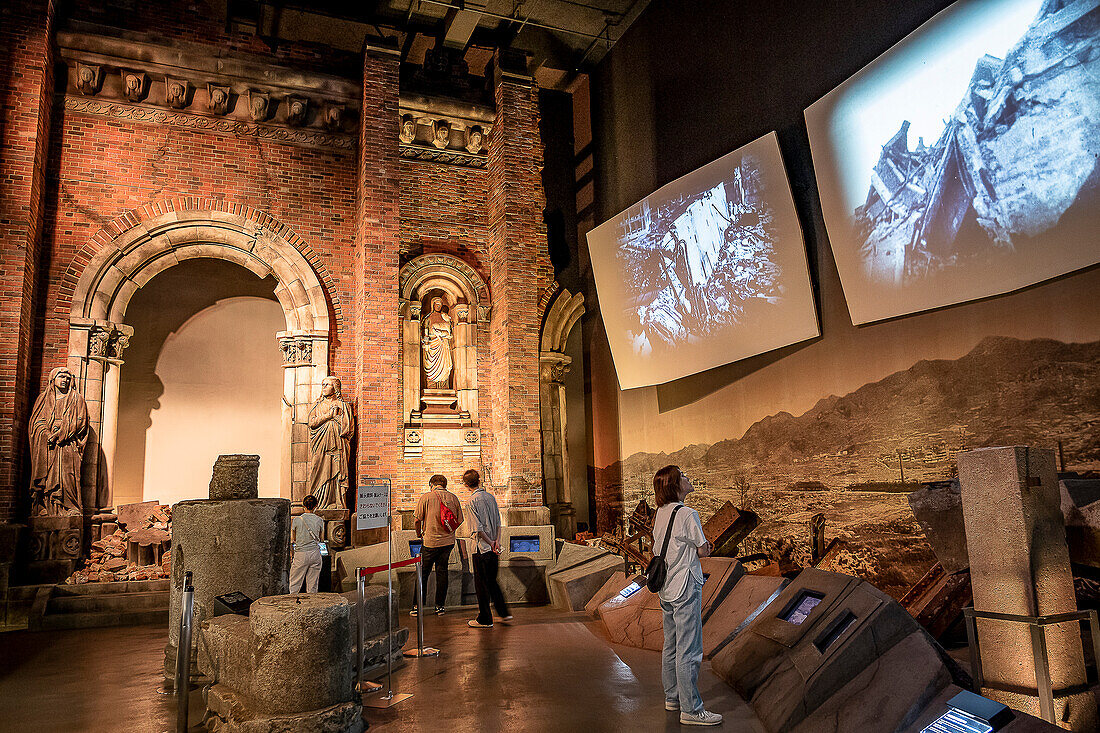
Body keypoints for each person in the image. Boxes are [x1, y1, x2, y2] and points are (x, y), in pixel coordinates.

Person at [652, 465, 723, 726]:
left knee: (670, 645)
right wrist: (708, 546)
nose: (687, 478)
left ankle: (672, 698)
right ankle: (691, 709)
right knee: (689, 649)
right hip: (685, 585)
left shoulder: (659, 513)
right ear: (675, 485)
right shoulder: (688, 514)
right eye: (682, 476)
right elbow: (702, 551)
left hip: (666, 588)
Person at [29, 367, 89, 516]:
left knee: (68, 476)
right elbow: (36, 422)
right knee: (47, 476)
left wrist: (60, 434)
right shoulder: (43, 399)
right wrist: (47, 434)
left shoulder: (76, 399)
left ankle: (69, 507)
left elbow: (80, 421)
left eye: (68, 378)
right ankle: (43, 506)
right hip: (47, 445)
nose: (65, 380)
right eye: (61, 377)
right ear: (53, 379)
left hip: (67, 444)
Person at [464, 469, 511, 628]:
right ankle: (504, 612)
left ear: (465, 484)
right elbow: (498, 523)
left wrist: (490, 542)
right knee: (492, 581)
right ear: (479, 480)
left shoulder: (471, 502)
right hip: (494, 547)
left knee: (481, 584)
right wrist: (496, 541)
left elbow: (477, 528)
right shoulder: (491, 498)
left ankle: (485, 618)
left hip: (481, 548)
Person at [413, 474, 464, 616]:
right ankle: (440, 606)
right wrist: (449, 531)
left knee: (423, 573)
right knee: (442, 572)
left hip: (430, 542)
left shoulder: (426, 497)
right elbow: (460, 520)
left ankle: (418, 606)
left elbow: (417, 520)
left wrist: (419, 534)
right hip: (447, 543)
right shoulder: (453, 498)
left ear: (431, 484)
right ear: (445, 485)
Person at [307, 376, 354, 509]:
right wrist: (329, 416)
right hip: (320, 446)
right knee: (318, 469)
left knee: (337, 471)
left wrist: (339, 419)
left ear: (335, 388)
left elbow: (349, 429)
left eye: (327, 385)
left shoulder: (344, 406)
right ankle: (318, 503)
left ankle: (337, 501)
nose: (324, 387)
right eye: (323, 384)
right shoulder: (317, 406)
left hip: (338, 447)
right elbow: (312, 423)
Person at [290, 494, 325, 593]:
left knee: (295, 583)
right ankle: (312, 605)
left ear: (303, 506)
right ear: (316, 506)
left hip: (301, 554)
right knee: (313, 585)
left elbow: (293, 539)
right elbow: (321, 539)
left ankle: (293, 603)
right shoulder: (320, 520)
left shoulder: (297, 520)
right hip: (315, 553)